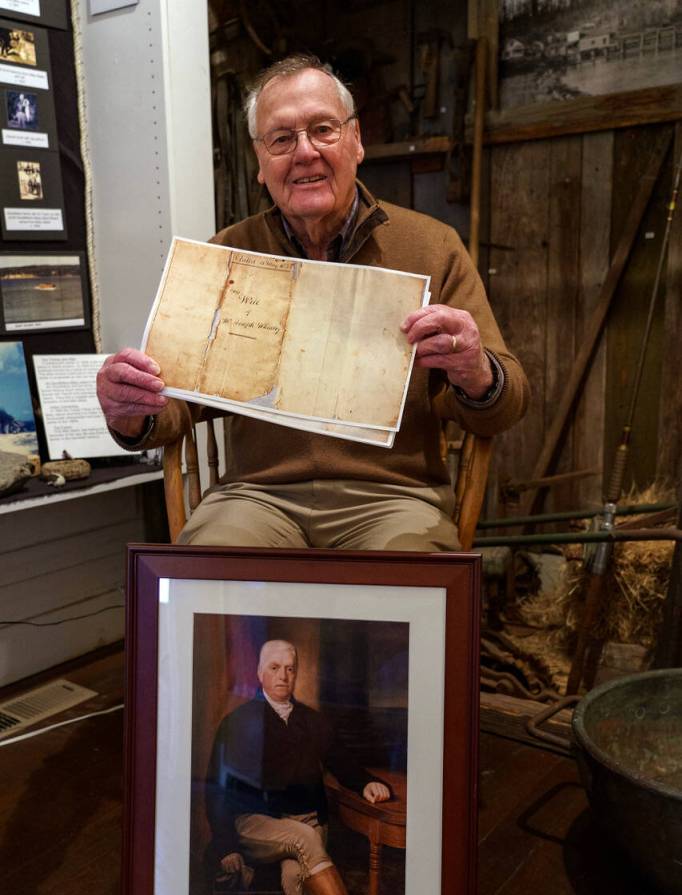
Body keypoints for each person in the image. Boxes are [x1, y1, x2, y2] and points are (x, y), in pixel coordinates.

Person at [97, 53, 529, 551]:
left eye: (323, 129)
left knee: (409, 571)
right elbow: (174, 405)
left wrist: (477, 371)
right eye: (281, 138)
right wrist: (130, 410)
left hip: (392, 498)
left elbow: (506, 406)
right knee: (210, 566)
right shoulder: (228, 256)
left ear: (356, 140)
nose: (304, 152)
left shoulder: (432, 247)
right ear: (260, 163)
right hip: (258, 497)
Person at [205, 639, 391, 895]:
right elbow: (216, 790)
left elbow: (342, 761)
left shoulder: (313, 720)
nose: (283, 675)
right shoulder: (238, 722)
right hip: (255, 822)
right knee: (305, 839)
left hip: (309, 819)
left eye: (290, 669)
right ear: (260, 673)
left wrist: (367, 783)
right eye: (275, 667)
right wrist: (225, 846)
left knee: (296, 876)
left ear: (295, 674)